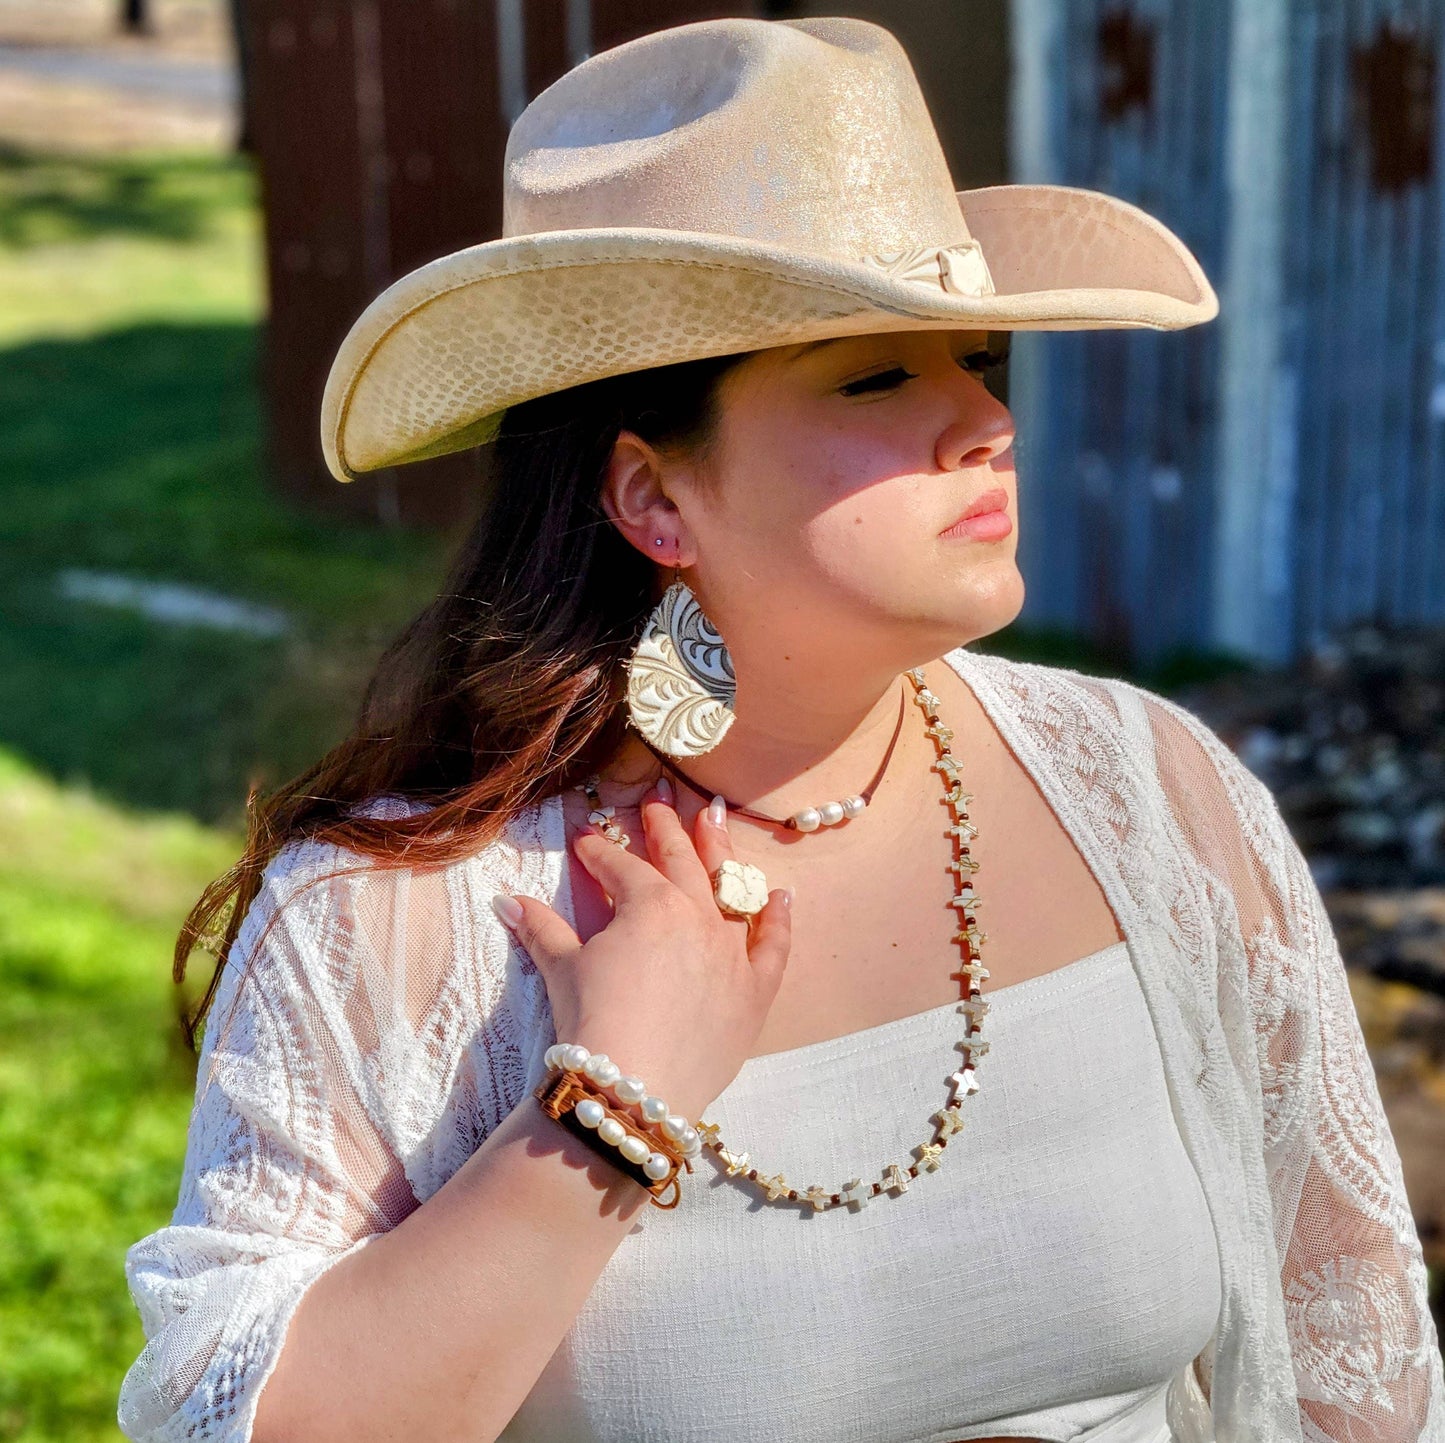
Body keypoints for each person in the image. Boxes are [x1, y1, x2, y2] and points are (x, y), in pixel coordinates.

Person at [117, 15, 1444, 1443]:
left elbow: (1351, 1363)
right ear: (652, 499)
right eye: (875, 376)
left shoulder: (1154, 796)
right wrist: (600, 1116)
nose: (980, 424)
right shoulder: (393, 922)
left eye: (978, 361)